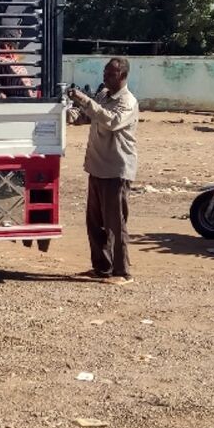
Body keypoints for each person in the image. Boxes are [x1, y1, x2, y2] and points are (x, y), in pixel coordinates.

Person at [67, 58, 138, 284]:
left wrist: (84, 99)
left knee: (115, 224)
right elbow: (87, 117)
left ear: (122, 76)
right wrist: (66, 112)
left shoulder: (127, 101)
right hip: (97, 168)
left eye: (110, 74)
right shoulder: (104, 97)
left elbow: (111, 121)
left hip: (115, 171)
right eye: (105, 72)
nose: (105, 77)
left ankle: (122, 272)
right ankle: (101, 268)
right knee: (95, 223)